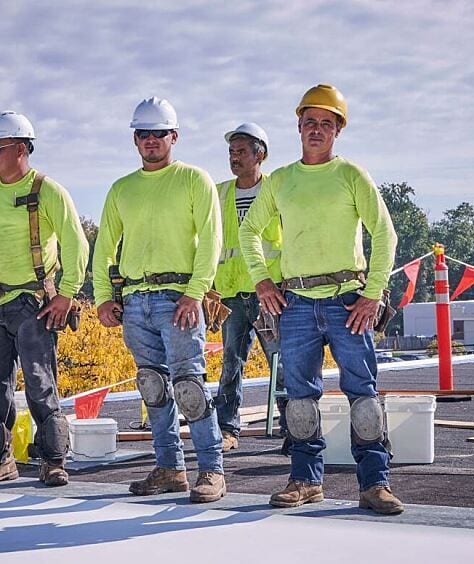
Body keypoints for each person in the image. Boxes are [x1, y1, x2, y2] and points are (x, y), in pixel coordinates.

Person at [238, 85, 403, 514]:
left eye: (326, 124)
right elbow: (248, 231)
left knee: (363, 395)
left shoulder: (351, 176)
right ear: (298, 126)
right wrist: (263, 282)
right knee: (299, 397)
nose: (316, 130)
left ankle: (374, 484)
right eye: (310, 122)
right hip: (295, 302)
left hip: (348, 300)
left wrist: (372, 293)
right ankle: (306, 480)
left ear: (338, 131)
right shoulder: (280, 181)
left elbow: (385, 233)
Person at [93, 96, 226, 503]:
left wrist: (195, 292)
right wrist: (102, 297)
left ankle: (212, 470)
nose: (150, 140)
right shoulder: (122, 189)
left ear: (174, 136)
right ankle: (170, 468)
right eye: (143, 134)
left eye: (158, 133)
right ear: (135, 139)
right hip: (136, 300)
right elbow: (104, 248)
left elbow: (211, 241)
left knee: (189, 385)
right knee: (153, 386)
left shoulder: (193, 180)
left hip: (178, 298)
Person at [0, 110, 89, 487]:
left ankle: (53, 462)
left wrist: (66, 295)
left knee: (39, 383)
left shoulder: (46, 190)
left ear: (22, 148)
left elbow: (76, 243)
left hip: (31, 305)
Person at [212, 123, 287, 452]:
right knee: (231, 362)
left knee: (281, 362)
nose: (234, 158)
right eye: (232, 152)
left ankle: (294, 428)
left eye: (242, 151)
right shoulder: (219, 193)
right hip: (231, 292)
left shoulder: (279, 190)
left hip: (269, 292)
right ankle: (227, 429)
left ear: (261, 155)